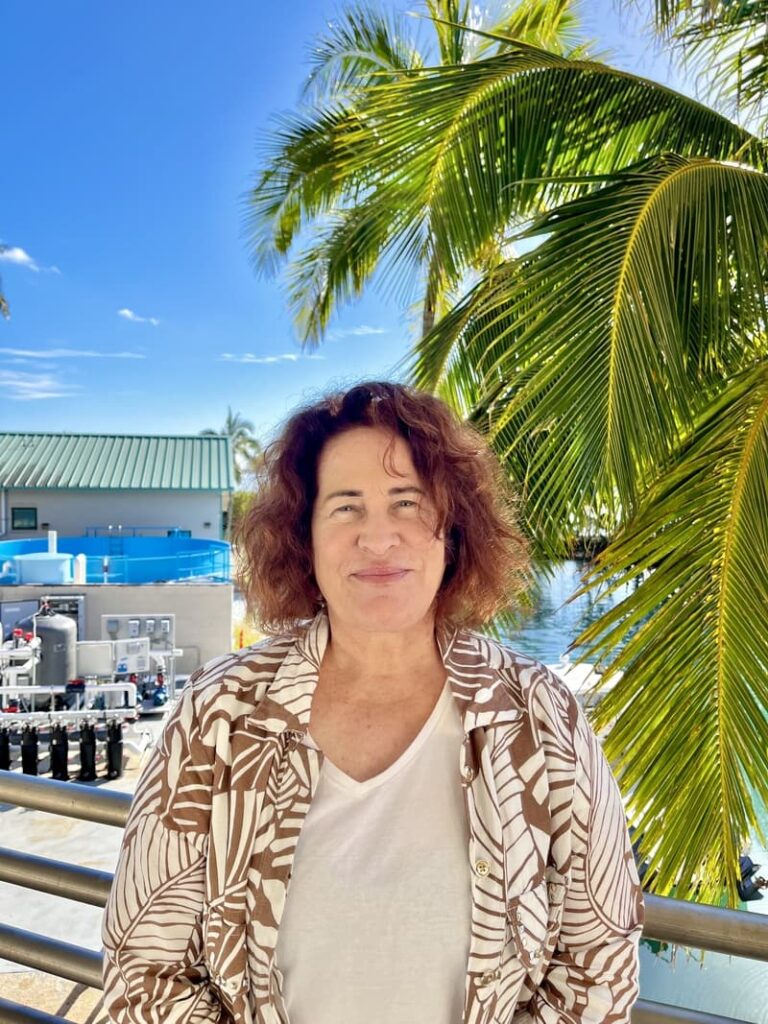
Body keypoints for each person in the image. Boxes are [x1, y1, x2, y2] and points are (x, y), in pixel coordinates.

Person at [102, 381, 644, 1024]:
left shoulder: (538, 715)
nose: (378, 537)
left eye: (407, 503)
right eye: (346, 508)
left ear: (453, 531)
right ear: (304, 536)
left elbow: (599, 961)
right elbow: (145, 968)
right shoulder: (220, 711)